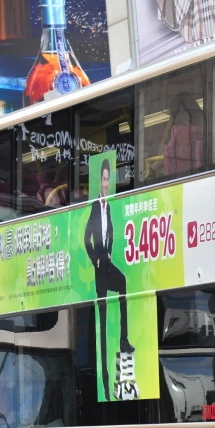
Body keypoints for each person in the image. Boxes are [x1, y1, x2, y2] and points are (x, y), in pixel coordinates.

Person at [84, 158, 134, 400]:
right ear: (98, 182)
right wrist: (95, 258)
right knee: (101, 323)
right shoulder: (95, 206)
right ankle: (104, 384)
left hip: (108, 260)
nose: (106, 184)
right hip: (99, 266)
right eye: (103, 179)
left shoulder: (109, 207)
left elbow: (110, 230)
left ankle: (124, 339)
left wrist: (110, 250)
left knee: (124, 282)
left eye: (108, 179)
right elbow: (86, 238)